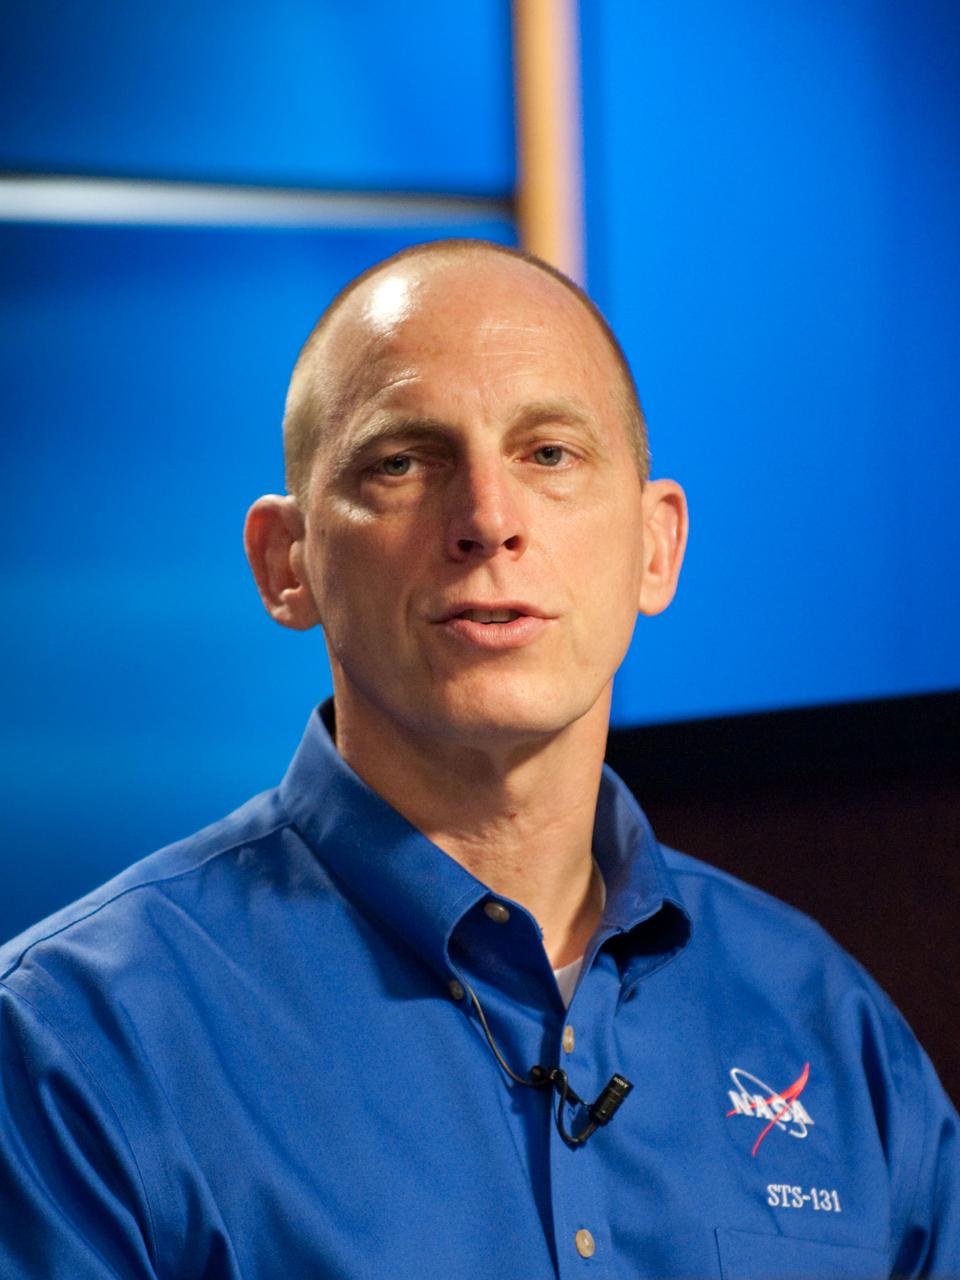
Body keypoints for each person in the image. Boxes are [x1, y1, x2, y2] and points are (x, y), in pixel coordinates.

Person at [0, 239, 956, 1279]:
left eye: (549, 453)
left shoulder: (836, 1031)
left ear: (655, 547)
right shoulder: (76, 1042)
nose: (489, 521)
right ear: (289, 562)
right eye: (403, 461)